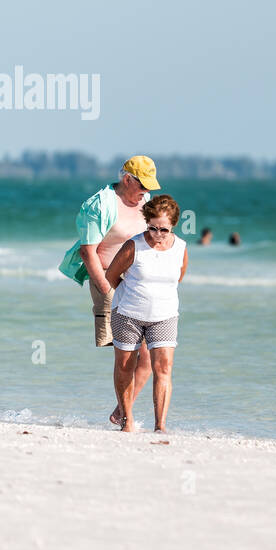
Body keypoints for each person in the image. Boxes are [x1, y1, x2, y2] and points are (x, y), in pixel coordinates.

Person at [57, 156, 160, 427]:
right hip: (109, 283)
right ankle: (128, 419)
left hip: (140, 285)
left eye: (149, 186)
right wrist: (105, 288)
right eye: (141, 185)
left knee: (149, 355)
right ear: (127, 179)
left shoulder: (146, 202)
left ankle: (120, 411)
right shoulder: (100, 205)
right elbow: (87, 251)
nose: (145, 192)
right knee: (126, 355)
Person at [104, 194, 188, 433]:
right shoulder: (134, 245)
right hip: (128, 313)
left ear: (172, 226)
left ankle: (160, 426)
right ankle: (127, 420)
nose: (157, 234)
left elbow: (178, 277)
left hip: (165, 315)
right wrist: (130, 294)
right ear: (146, 223)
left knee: (163, 368)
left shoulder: (180, 247)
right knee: (125, 366)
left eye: (163, 229)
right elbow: (112, 275)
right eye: (152, 228)